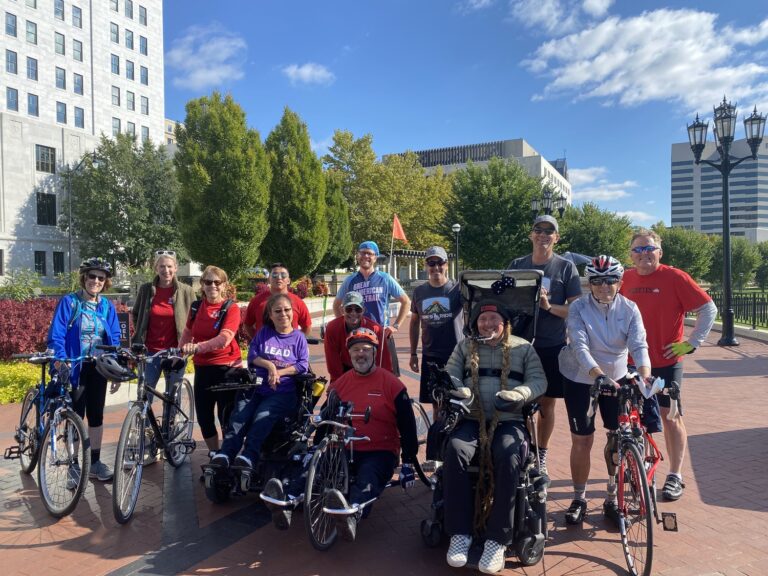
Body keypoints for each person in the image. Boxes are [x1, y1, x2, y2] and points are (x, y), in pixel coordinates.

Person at [443, 299, 546, 574]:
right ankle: (459, 534)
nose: (488, 324)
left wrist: (519, 394)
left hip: (509, 420)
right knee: (455, 449)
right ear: (475, 323)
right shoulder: (465, 346)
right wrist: (458, 390)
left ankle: (497, 540)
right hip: (471, 418)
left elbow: (538, 381)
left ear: (505, 323)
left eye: (493, 319)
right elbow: (450, 374)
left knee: (510, 454)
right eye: (482, 319)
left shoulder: (523, 347)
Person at [290, 327, 418, 541]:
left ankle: (352, 512)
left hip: (379, 449)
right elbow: (326, 417)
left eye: (366, 349)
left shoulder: (392, 384)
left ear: (375, 353)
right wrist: (316, 447)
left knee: (368, 474)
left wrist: (408, 462)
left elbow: (407, 425)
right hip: (342, 449)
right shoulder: (340, 384)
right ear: (349, 355)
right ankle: (288, 497)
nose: (361, 354)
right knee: (315, 466)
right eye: (356, 350)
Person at [620, 229, 716, 501]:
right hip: (631, 362)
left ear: (659, 253)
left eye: (649, 249)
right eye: (638, 249)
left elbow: (708, 309)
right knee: (630, 416)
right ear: (631, 254)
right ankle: (634, 464)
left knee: (670, 417)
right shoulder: (624, 278)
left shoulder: (675, 277)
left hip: (666, 361)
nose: (644, 254)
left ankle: (675, 475)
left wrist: (692, 343)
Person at [558, 255, 653, 527]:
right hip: (580, 377)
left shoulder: (630, 309)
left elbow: (639, 345)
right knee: (582, 440)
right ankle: (579, 498)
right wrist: (597, 375)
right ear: (590, 283)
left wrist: (644, 376)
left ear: (620, 282)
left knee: (617, 437)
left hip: (617, 376)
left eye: (610, 280)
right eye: (597, 281)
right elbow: (579, 345)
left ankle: (612, 497)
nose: (604, 286)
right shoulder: (578, 309)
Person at [507, 215, 581, 476]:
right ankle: (522, 451)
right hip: (519, 345)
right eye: (538, 229)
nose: (543, 235)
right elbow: (504, 301)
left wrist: (549, 306)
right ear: (531, 234)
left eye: (549, 231)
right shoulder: (517, 265)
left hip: (551, 345)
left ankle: (541, 454)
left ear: (556, 237)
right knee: (519, 403)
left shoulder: (565, 268)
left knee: (547, 405)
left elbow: (576, 310)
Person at [210, 293, 308, 474]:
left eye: (287, 310)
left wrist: (281, 372)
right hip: (257, 386)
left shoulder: (298, 338)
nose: (283, 314)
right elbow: (253, 356)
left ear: (293, 312)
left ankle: (249, 456)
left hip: (282, 390)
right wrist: (270, 366)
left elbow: (302, 365)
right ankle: (226, 454)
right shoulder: (264, 333)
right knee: (240, 415)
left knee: (262, 416)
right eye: (277, 311)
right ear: (270, 315)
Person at [47, 257, 122, 482]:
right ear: (84, 278)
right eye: (92, 276)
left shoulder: (107, 305)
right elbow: (57, 334)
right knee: (76, 416)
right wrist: (61, 361)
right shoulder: (70, 302)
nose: (96, 281)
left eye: (101, 278)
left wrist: (115, 365)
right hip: (75, 366)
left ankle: (96, 463)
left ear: (105, 282)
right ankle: (73, 465)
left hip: (98, 366)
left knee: (97, 415)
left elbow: (115, 337)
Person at [180, 266, 242, 453]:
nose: (212, 286)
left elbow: (224, 339)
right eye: (208, 282)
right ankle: (215, 454)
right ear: (202, 285)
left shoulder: (231, 308)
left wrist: (198, 347)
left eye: (217, 282)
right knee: (204, 417)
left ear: (224, 285)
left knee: (227, 417)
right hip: (203, 368)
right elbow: (188, 332)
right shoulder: (196, 307)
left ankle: (228, 456)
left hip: (227, 368)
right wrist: (180, 350)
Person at [333, 241, 410, 373]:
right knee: (358, 375)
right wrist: (345, 326)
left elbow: (406, 302)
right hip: (358, 337)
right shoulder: (350, 280)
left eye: (369, 253)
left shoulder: (385, 278)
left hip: (381, 334)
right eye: (362, 253)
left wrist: (395, 325)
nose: (365, 256)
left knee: (386, 375)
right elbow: (336, 305)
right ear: (357, 256)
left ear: (375, 257)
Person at [131, 249, 195, 403]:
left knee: (172, 396)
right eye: (162, 266)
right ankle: (144, 426)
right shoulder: (146, 290)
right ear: (156, 268)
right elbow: (136, 314)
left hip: (176, 351)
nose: (166, 270)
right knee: (145, 394)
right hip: (151, 351)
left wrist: (188, 345)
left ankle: (172, 424)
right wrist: (140, 335)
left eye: (169, 266)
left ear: (176, 268)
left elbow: (195, 319)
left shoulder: (187, 291)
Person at [409, 246, 462, 414]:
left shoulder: (458, 290)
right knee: (436, 402)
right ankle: (438, 436)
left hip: (456, 355)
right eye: (431, 263)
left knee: (458, 400)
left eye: (440, 262)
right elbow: (414, 322)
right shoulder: (419, 292)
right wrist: (413, 354)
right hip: (430, 355)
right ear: (426, 266)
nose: (436, 267)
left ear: (447, 264)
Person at [324, 291, 392, 382]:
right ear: (342, 310)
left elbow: (384, 360)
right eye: (348, 309)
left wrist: (385, 382)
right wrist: (338, 383)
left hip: (370, 369)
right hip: (345, 370)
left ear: (363, 310)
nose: (353, 313)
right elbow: (332, 360)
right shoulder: (332, 328)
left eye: (357, 309)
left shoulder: (376, 329)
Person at [243, 263, 311, 340]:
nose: (279, 278)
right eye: (275, 275)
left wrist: (296, 342)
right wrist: (257, 340)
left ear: (288, 280)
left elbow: (306, 326)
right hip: (263, 349)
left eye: (283, 275)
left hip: (289, 349)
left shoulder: (298, 302)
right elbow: (248, 324)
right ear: (269, 279)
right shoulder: (256, 301)